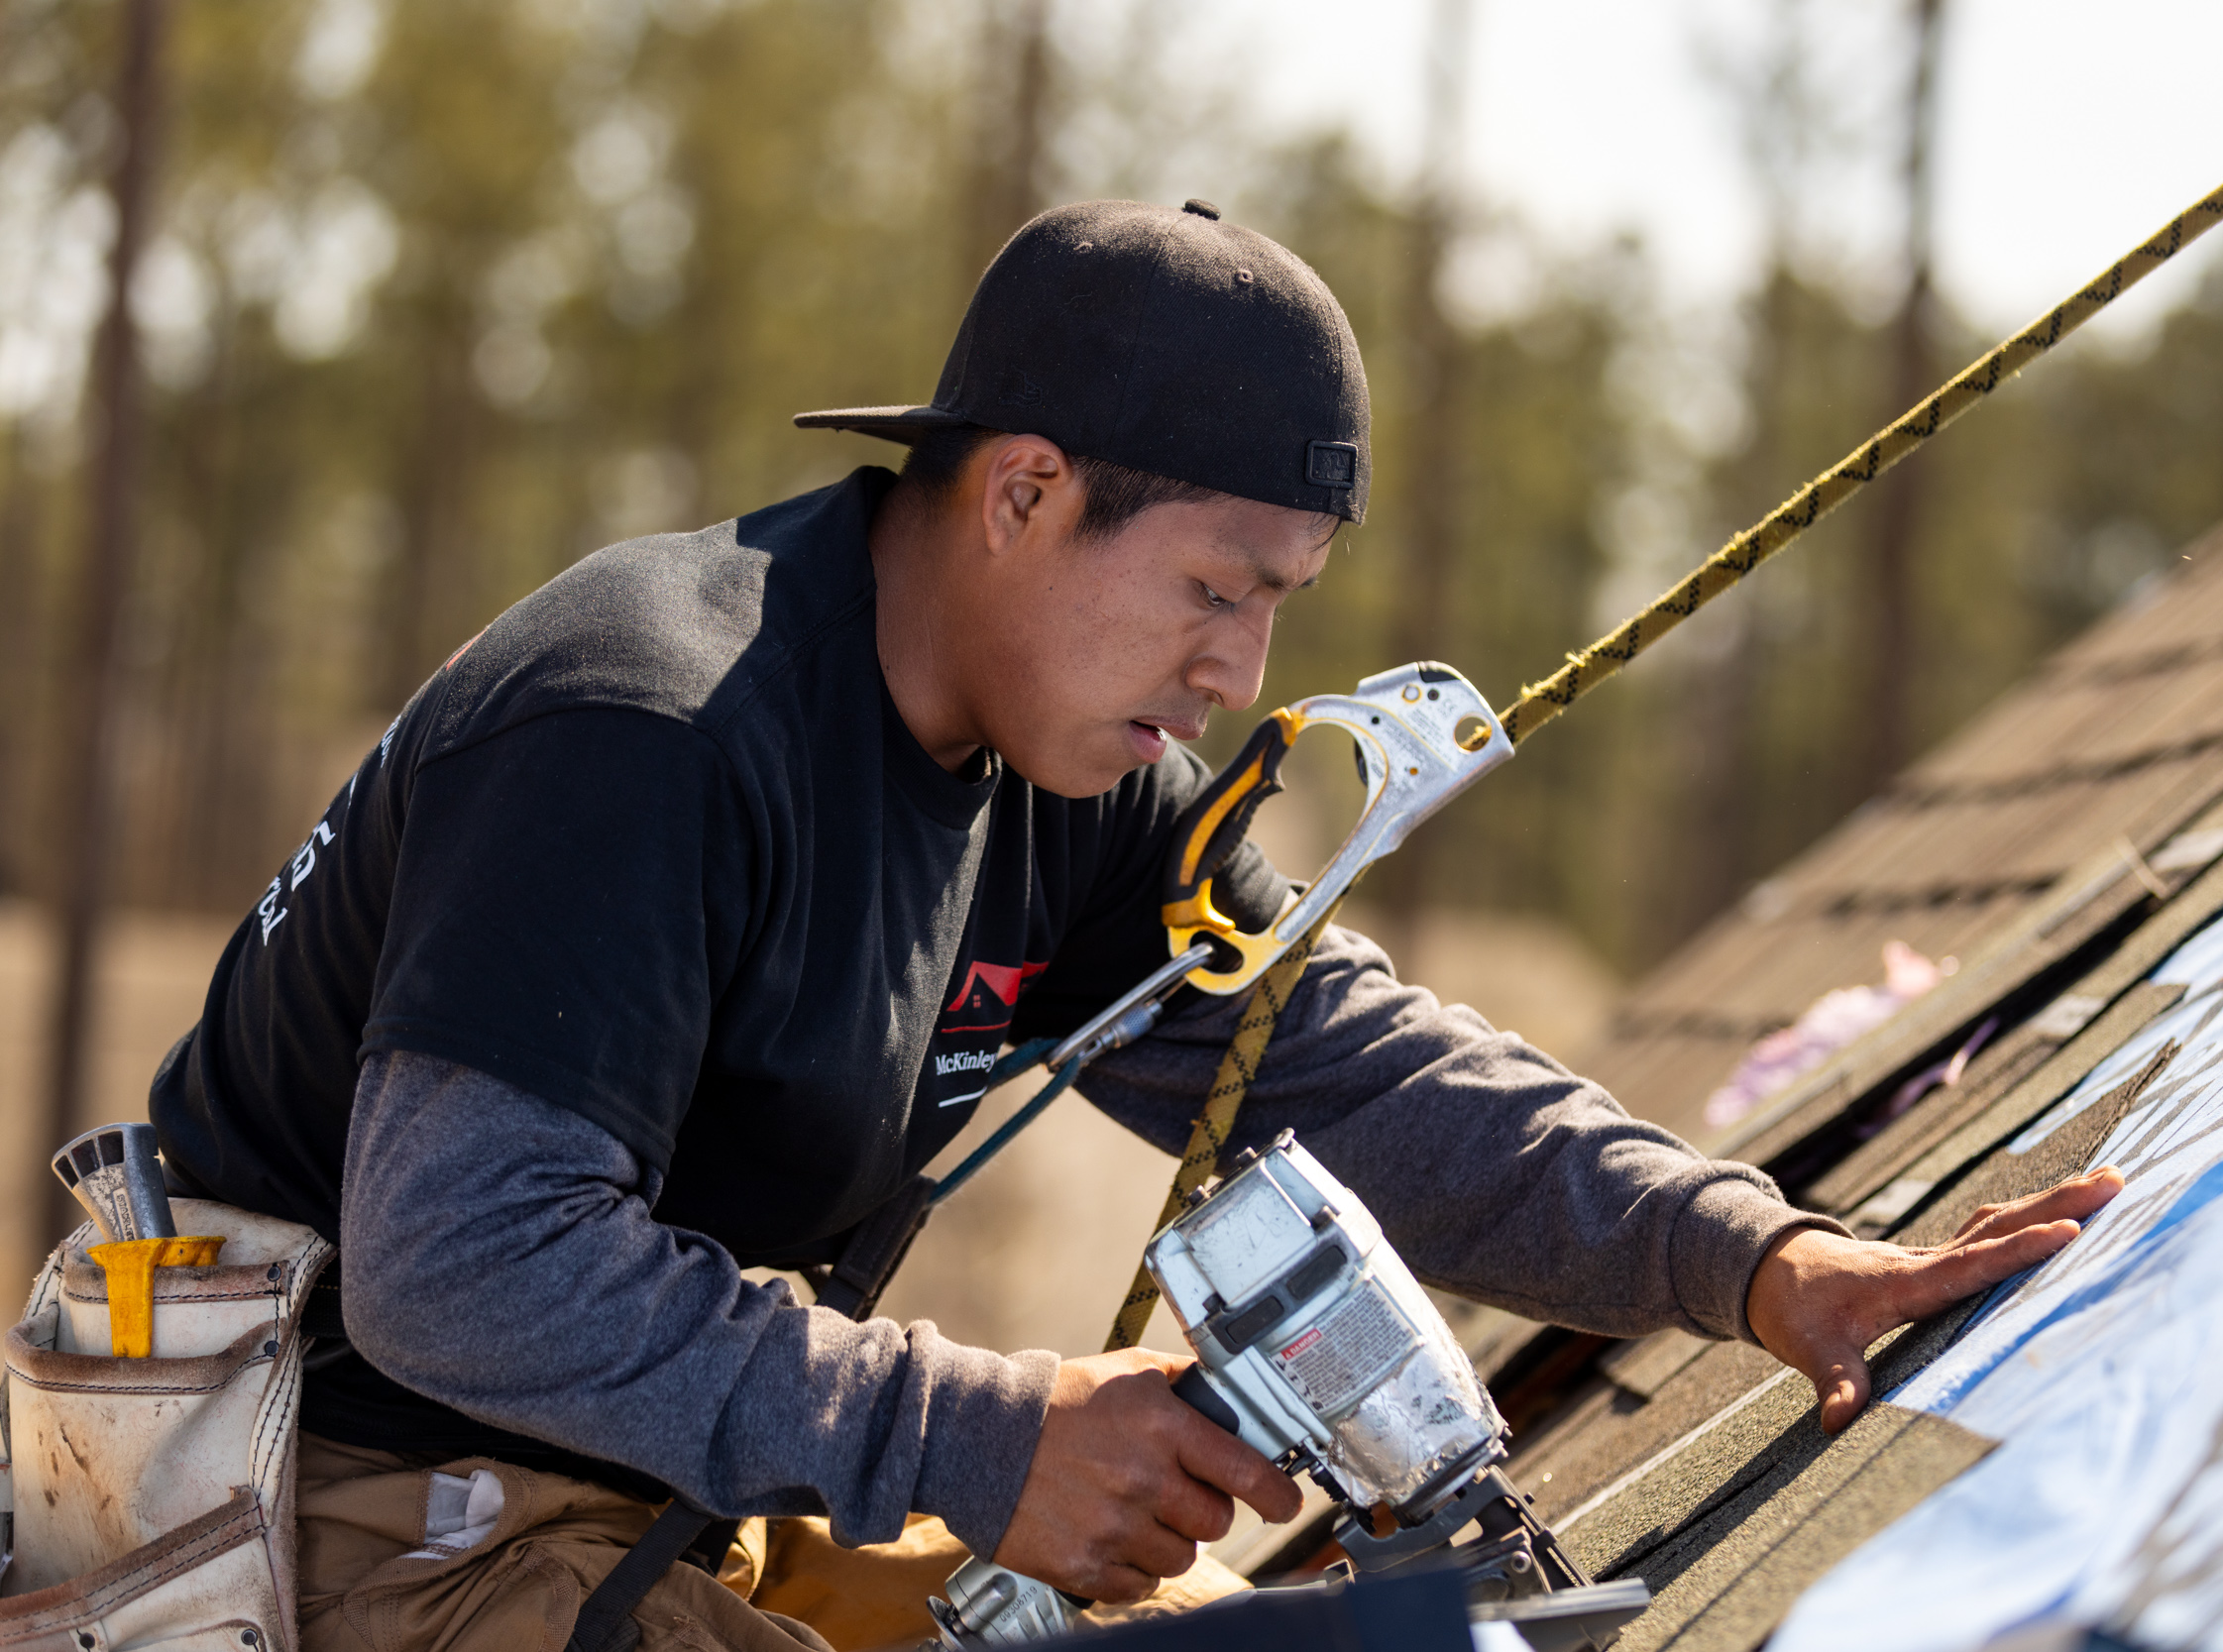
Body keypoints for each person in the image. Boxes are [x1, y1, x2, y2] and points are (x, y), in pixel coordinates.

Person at [149, 198, 2120, 1651]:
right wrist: (977, 1430)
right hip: (333, 1512)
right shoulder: (649, 731)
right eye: (1213, 589)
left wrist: (1754, 1259)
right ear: (1020, 495)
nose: (1238, 672)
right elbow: (458, 1269)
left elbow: (1343, 1074)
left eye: (1280, 606)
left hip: (640, 1489)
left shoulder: (1070, 780)